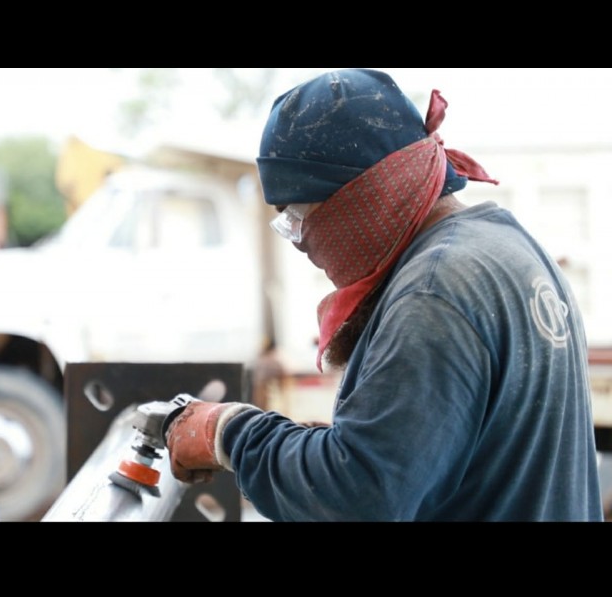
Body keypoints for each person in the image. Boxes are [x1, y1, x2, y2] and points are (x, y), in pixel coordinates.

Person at [163, 68, 604, 521]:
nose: (298, 241)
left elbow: (357, 500)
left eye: (296, 214)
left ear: (363, 195)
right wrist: (331, 445)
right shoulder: (507, 246)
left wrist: (228, 432)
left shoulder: (432, 295)